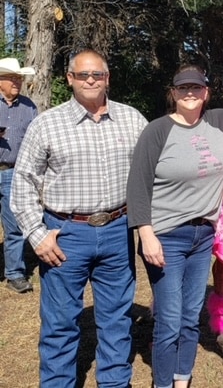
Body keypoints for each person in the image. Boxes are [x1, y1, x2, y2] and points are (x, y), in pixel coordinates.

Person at [11, 50, 148, 387]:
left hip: (118, 231)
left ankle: (115, 382)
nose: (90, 80)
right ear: (69, 78)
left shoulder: (133, 120)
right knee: (60, 323)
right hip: (65, 233)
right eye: (83, 74)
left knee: (117, 318)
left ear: (107, 78)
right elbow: (23, 182)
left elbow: (153, 173)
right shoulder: (47, 123)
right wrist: (37, 233)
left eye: (97, 74)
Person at [127, 65, 223, 388]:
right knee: (169, 319)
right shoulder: (157, 130)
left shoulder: (220, 122)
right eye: (183, 89)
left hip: (203, 237)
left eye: (196, 88)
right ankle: (162, 383)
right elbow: (138, 185)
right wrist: (146, 234)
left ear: (206, 93)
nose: (190, 93)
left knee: (190, 317)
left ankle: (182, 379)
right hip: (166, 236)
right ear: (173, 93)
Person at [0, 58, 38, 293]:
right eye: (12, 78)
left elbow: (36, 140)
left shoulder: (29, 106)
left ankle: (14, 274)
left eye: (19, 78)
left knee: (14, 226)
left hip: (14, 172)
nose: (17, 82)